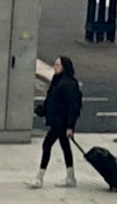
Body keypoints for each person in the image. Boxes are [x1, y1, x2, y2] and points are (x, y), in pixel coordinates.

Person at [31, 55, 81, 186]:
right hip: (58, 120)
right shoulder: (57, 81)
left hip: (61, 122)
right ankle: (71, 177)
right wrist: (43, 110)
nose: (55, 67)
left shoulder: (69, 84)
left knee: (47, 145)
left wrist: (70, 126)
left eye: (58, 65)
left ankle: (39, 177)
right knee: (65, 147)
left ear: (64, 67)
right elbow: (52, 101)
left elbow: (72, 107)